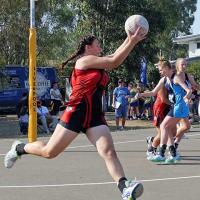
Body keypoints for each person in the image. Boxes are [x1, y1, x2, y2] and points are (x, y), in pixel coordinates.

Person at [4, 28, 146, 200]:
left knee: (108, 151)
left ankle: (124, 188)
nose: (100, 48)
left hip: (94, 116)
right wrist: (133, 41)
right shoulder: (83, 62)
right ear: (88, 47)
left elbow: (114, 56)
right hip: (76, 112)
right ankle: (19, 148)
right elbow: (115, 61)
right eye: (98, 45)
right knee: (49, 152)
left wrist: (128, 38)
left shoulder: (97, 61)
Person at [138, 59, 192, 163]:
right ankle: (173, 154)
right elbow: (153, 92)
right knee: (166, 128)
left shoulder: (175, 78)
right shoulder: (164, 80)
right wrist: (141, 94)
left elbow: (188, 90)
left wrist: (186, 97)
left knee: (164, 126)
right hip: (175, 106)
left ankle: (162, 154)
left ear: (167, 68)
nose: (159, 71)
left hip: (180, 106)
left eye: (161, 69)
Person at [173, 58, 200, 150]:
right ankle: (169, 142)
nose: (184, 66)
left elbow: (195, 86)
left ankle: (173, 144)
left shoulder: (187, 76)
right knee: (186, 126)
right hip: (176, 104)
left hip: (184, 105)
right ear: (177, 66)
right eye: (182, 64)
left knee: (185, 127)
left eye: (186, 64)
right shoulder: (175, 77)